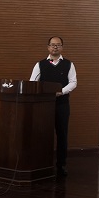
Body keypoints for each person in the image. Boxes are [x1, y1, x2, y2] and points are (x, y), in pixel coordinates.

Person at [30, 36, 77, 177]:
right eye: (52, 45)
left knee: (62, 134)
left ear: (62, 47)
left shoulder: (68, 64)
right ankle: (43, 164)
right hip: (44, 106)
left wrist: (61, 91)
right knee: (43, 134)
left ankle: (61, 165)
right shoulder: (40, 64)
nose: (55, 47)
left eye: (58, 45)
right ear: (48, 47)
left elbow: (73, 82)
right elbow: (33, 82)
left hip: (62, 104)